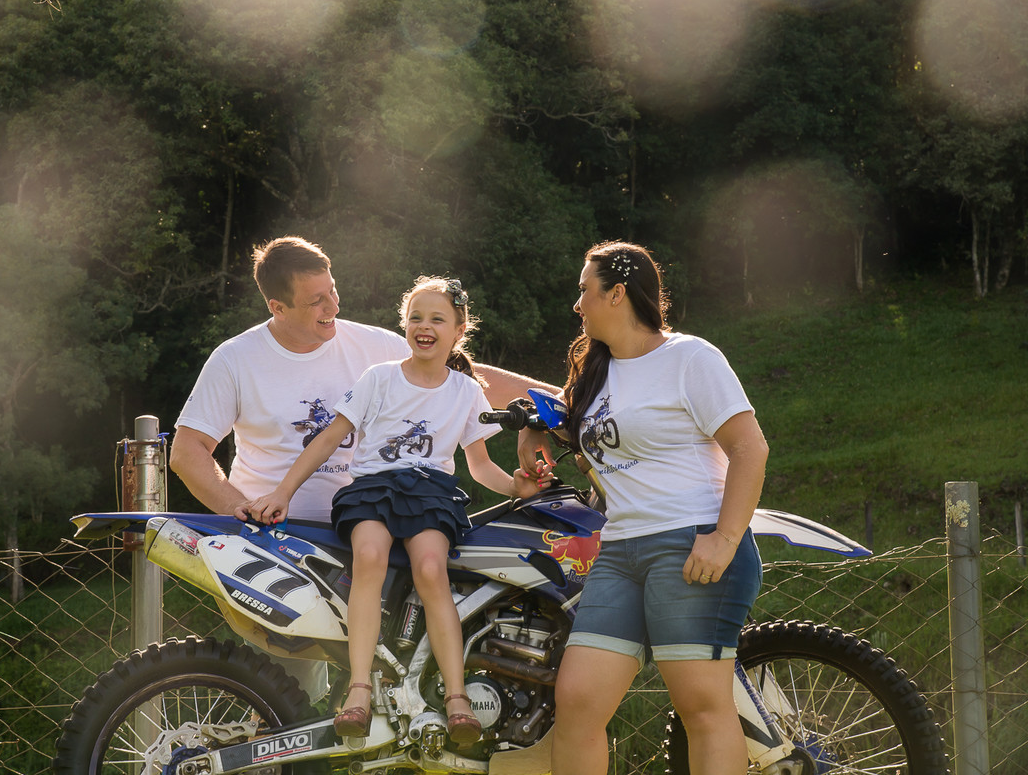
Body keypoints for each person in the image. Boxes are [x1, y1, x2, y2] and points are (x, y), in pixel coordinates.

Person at [170, 236, 554, 699]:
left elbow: (458, 374)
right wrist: (244, 511)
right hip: (280, 543)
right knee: (290, 693)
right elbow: (187, 451)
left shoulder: (372, 346)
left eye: (332, 289)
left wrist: (561, 400)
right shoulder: (235, 359)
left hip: (371, 529)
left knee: (387, 680)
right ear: (278, 306)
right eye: (316, 300)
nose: (333, 304)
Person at [247, 276, 548, 742]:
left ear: (459, 329)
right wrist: (282, 492)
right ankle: (359, 690)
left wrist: (518, 487)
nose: (423, 327)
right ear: (405, 325)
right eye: (415, 318)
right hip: (373, 489)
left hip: (430, 493)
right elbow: (327, 437)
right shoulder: (379, 378)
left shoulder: (465, 391)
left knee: (432, 568)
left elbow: (480, 466)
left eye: (437, 319)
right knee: (370, 557)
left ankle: (457, 700)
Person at [520, 241, 768, 775]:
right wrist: (533, 433)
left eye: (585, 290)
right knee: (579, 701)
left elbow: (750, 449)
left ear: (617, 293)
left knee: (702, 708)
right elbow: (575, 429)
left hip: (690, 544)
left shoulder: (690, 357)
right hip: (622, 551)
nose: (577, 303)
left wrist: (724, 539)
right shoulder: (598, 374)